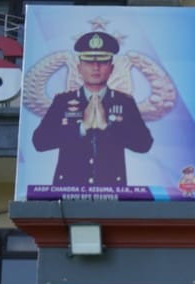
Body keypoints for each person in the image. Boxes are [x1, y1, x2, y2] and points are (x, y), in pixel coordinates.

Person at [32, 31, 153, 187]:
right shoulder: (62, 102)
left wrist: (108, 127)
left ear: (112, 68)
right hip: (69, 190)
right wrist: (81, 128)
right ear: (79, 67)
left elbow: (144, 143)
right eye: (89, 62)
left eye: (102, 62)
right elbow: (39, 142)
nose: (96, 67)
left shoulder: (125, 102)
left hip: (111, 191)